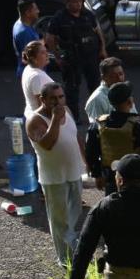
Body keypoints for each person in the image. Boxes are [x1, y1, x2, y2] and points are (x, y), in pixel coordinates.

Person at [26, 82, 86, 267]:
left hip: (74, 172)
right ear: (42, 99)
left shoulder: (66, 110)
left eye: (61, 97)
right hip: (54, 178)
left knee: (74, 214)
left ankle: (71, 247)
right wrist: (54, 119)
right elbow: (47, 144)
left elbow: (75, 136)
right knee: (60, 220)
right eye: (53, 98)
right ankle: (65, 259)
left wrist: (86, 161)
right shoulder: (35, 120)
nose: (58, 101)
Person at [86, 82, 140, 197]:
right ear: (130, 102)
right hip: (139, 181)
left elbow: (90, 151)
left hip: (112, 180)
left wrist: (97, 175)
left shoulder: (98, 125)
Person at [42, 0, 107, 124]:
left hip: (90, 56)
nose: (77, 4)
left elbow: (98, 31)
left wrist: (102, 49)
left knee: (95, 86)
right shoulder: (59, 18)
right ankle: (74, 118)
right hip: (72, 59)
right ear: (67, 2)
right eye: (74, 1)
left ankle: (98, 114)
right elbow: (49, 38)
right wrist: (57, 56)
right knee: (72, 90)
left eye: (79, 1)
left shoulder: (87, 15)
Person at [84, 57, 131, 124]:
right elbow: (97, 128)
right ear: (103, 77)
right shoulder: (97, 99)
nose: (120, 78)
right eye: (114, 76)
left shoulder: (123, 90)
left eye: (121, 74)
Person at [20, 40, 53, 126]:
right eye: (42, 53)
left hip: (34, 118)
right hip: (42, 123)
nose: (47, 55)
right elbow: (42, 107)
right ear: (34, 59)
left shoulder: (28, 68)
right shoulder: (37, 77)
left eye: (46, 51)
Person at [12, 0, 41, 78]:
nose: (38, 11)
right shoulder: (24, 32)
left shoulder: (19, 24)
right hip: (32, 74)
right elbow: (28, 57)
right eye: (36, 9)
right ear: (28, 13)